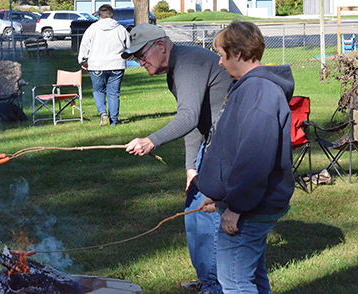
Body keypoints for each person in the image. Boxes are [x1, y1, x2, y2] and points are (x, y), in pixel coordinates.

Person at [121, 23, 233, 294]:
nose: (140, 62)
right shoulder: (176, 69)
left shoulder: (188, 63)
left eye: (142, 54)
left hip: (229, 146)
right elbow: (196, 122)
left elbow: (187, 117)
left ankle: (217, 285)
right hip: (213, 142)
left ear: (161, 45)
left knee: (208, 213)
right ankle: (208, 277)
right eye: (135, 58)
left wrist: (150, 141)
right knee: (194, 211)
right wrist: (190, 168)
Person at [197, 20, 295, 294]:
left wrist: (236, 207)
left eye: (221, 53)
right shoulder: (247, 86)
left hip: (251, 208)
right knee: (251, 275)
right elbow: (231, 148)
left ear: (238, 54)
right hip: (243, 202)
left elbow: (255, 158)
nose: (218, 62)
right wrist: (217, 192)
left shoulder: (259, 92)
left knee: (235, 283)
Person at [78, 4, 130, 126]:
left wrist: (83, 61)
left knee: (98, 91)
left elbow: (84, 46)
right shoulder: (120, 29)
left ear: (99, 15)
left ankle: (102, 113)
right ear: (112, 14)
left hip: (97, 65)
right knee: (113, 93)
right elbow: (128, 47)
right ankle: (114, 121)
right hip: (117, 65)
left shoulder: (92, 29)